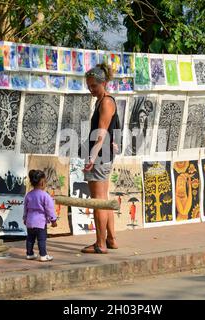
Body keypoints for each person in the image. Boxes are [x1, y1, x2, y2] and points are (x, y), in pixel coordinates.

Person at [81, 63, 120, 254]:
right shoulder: (105, 101)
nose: (91, 89)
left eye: (94, 86)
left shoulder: (105, 102)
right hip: (105, 154)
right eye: (88, 86)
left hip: (99, 156)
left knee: (97, 201)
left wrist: (91, 157)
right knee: (103, 199)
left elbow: (101, 133)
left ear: (103, 83)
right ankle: (111, 239)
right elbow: (115, 128)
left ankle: (100, 243)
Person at [23, 169, 57, 261]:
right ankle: (43, 255)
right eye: (45, 181)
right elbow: (50, 209)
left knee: (30, 239)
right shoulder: (45, 196)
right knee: (41, 240)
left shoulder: (28, 195)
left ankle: (29, 254)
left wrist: (25, 218)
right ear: (42, 182)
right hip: (40, 223)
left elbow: (25, 208)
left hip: (30, 222)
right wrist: (53, 220)